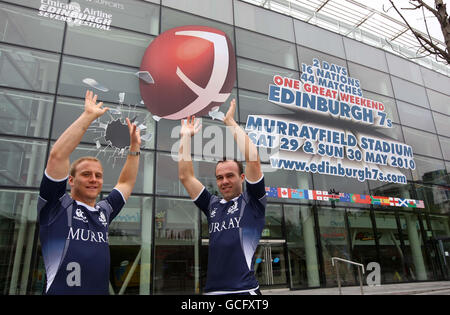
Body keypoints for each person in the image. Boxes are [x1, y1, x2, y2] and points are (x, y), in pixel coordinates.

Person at [37, 90, 141, 295]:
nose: (94, 179)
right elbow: (57, 156)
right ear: (72, 180)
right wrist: (88, 117)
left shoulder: (104, 212)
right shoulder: (56, 207)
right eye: (87, 174)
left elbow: (126, 182)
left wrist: (135, 147)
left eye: (98, 175)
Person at [178, 99, 267, 295]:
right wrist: (185, 137)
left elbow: (253, 159)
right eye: (219, 177)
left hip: (244, 292)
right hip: (212, 291)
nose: (224, 181)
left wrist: (230, 123)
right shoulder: (212, 205)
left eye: (229, 176)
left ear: (242, 178)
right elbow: (186, 176)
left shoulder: (252, 202)